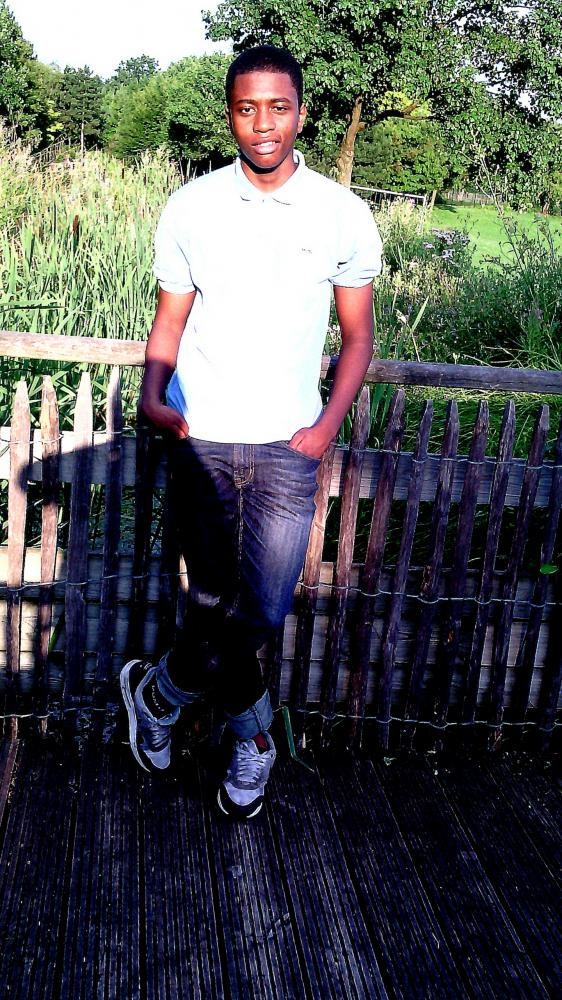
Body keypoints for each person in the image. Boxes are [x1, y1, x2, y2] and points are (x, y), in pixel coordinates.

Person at [120, 45, 382, 819]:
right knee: (209, 607)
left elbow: (358, 337)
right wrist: (153, 395)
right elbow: (171, 320)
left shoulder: (340, 213)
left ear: (301, 112)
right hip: (202, 440)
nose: (263, 123)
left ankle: (159, 695)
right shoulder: (192, 207)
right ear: (230, 115)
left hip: (287, 448)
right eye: (246, 108)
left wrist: (324, 428)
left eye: (278, 107)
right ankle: (254, 740)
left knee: (261, 613)